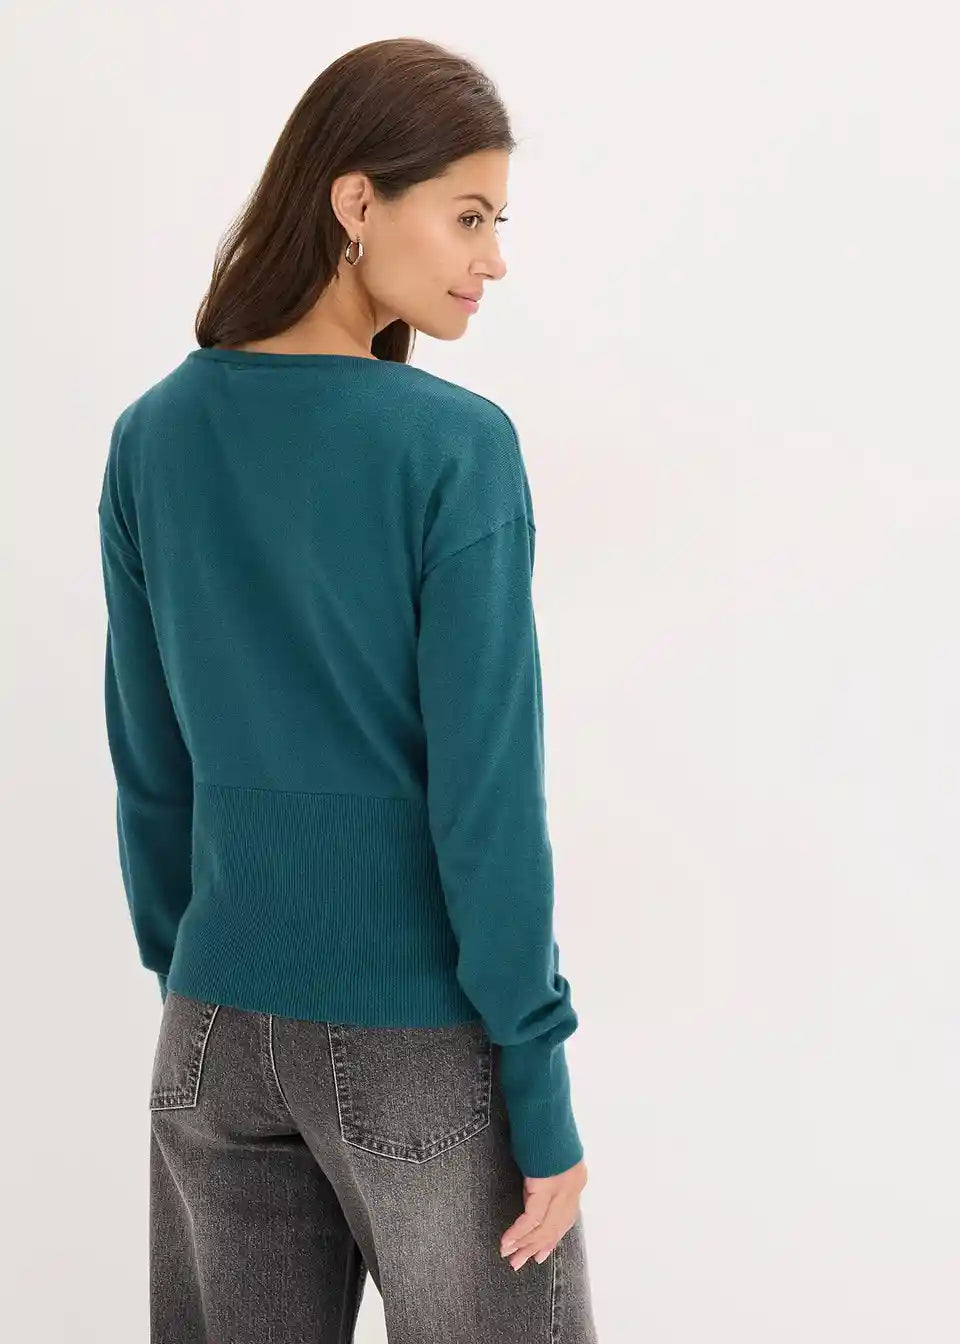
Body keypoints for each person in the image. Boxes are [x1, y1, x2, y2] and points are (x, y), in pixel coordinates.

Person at [97, 36, 598, 1343]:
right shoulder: (454, 450)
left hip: (210, 1033)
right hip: (415, 1040)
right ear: (357, 201)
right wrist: (538, 1089)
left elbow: (150, 768)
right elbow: (486, 806)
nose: (494, 259)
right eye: (470, 217)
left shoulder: (151, 436)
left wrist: (206, 973)